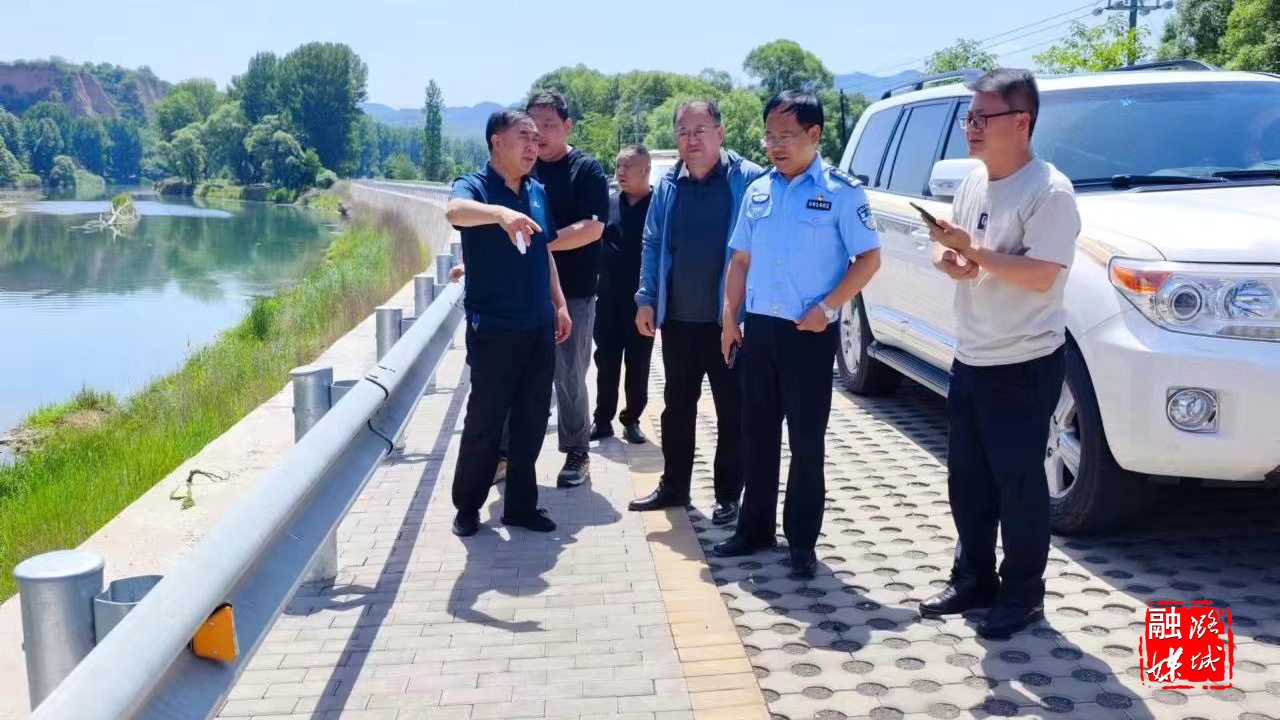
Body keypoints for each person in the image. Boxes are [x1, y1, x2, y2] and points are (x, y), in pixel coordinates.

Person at [921, 68, 1080, 639]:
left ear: (1022, 121)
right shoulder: (974, 181)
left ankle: (1023, 594)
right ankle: (973, 579)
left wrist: (975, 254)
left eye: (982, 117)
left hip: (1025, 362)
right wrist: (951, 260)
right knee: (967, 481)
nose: (971, 127)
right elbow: (950, 248)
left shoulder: (1049, 191)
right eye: (968, 118)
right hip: (972, 355)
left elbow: (1041, 275)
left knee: (1018, 484)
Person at [711, 91, 882, 579]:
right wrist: (730, 318)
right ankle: (754, 530)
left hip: (808, 333)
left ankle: (802, 542)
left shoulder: (842, 193)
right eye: (769, 136)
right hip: (759, 332)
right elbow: (740, 260)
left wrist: (828, 309)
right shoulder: (758, 191)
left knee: (807, 441)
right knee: (757, 435)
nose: (775, 146)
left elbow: (868, 259)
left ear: (815, 134)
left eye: (786, 136)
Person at [630, 100, 765, 525]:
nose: (692, 140)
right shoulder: (669, 185)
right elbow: (653, 241)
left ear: (720, 133)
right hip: (678, 318)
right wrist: (646, 297)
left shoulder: (749, 180)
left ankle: (728, 496)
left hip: (730, 322)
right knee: (676, 407)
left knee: (732, 410)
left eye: (701, 130)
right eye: (683, 132)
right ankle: (674, 485)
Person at [444, 109, 574, 538]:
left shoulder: (537, 191)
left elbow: (544, 251)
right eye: (525, 137)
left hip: (538, 325)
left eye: (537, 139)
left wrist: (559, 303)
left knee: (531, 420)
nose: (534, 146)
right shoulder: (474, 186)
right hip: (494, 327)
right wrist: (498, 213)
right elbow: (455, 212)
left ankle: (520, 506)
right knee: (485, 420)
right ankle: (468, 506)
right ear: (497, 141)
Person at [525, 90, 611, 489]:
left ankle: (577, 452)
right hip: (525, 291)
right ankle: (507, 454)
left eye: (549, 125)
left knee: (570, 375)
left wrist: (542, 242)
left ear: (567, 126)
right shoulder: (523, 168)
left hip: (574, 291)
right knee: (520, 374)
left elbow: (593, 228)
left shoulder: (586, 169)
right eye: (533, 126)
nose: (540, 134)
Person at [590, 144, 655, 445]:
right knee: (606, 361)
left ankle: (632, 419)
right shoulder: (609, 203)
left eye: (628, 166)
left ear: (646, 169)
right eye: (618, 166)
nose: (621, 172)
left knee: (638, 363)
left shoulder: (658, 205)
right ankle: (602, 420)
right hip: (608, 299)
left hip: (643, 302)